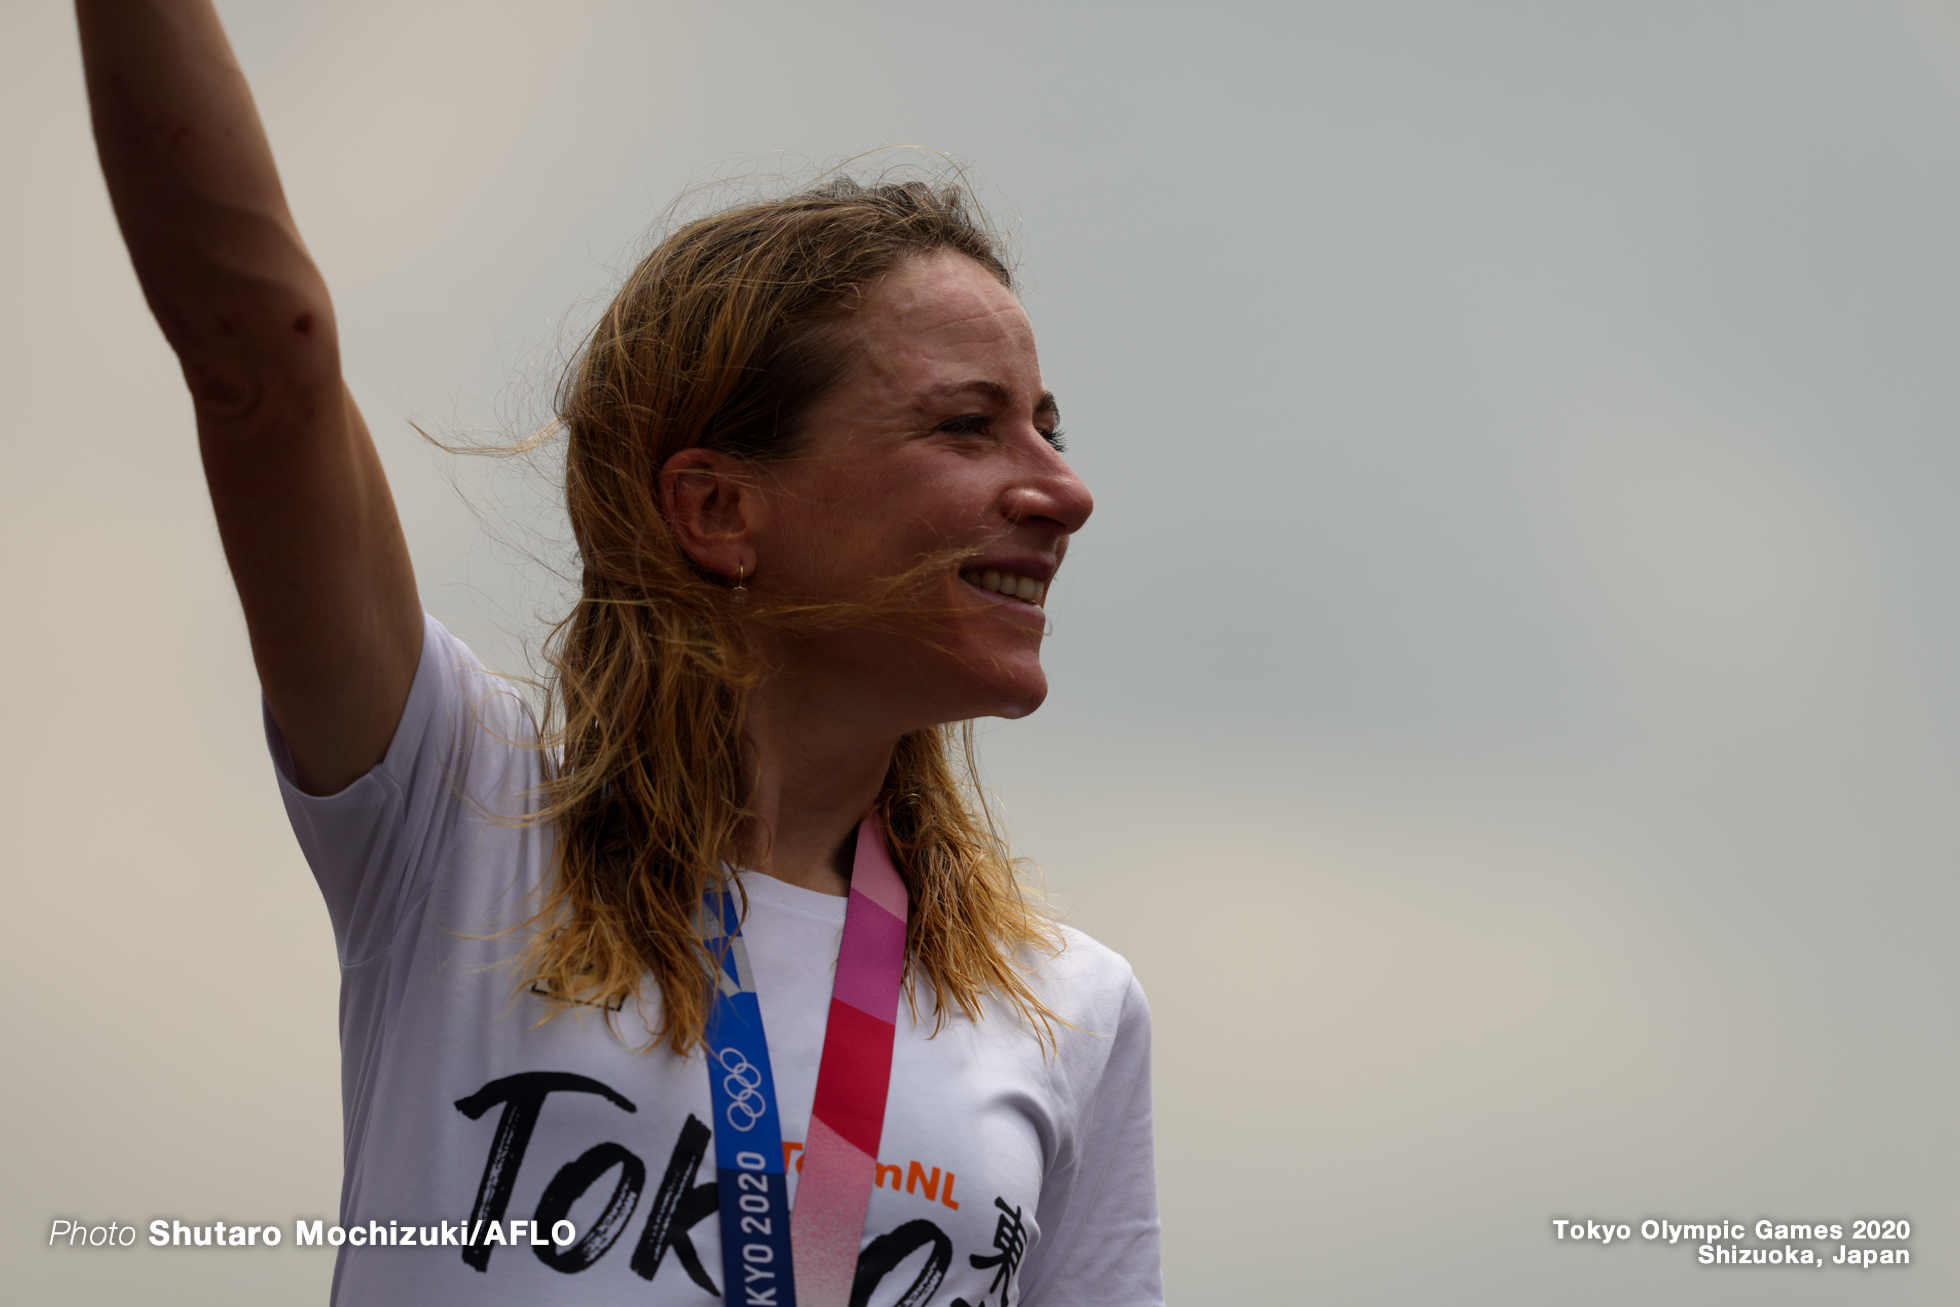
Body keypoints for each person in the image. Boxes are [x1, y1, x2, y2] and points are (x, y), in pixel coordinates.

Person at [79, 3, 1162, 1304]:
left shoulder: (1070, 1010)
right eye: (968, 428)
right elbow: (259, 359)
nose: (1064, 491)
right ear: (718, 509)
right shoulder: (460, 814)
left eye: (1048, 426)